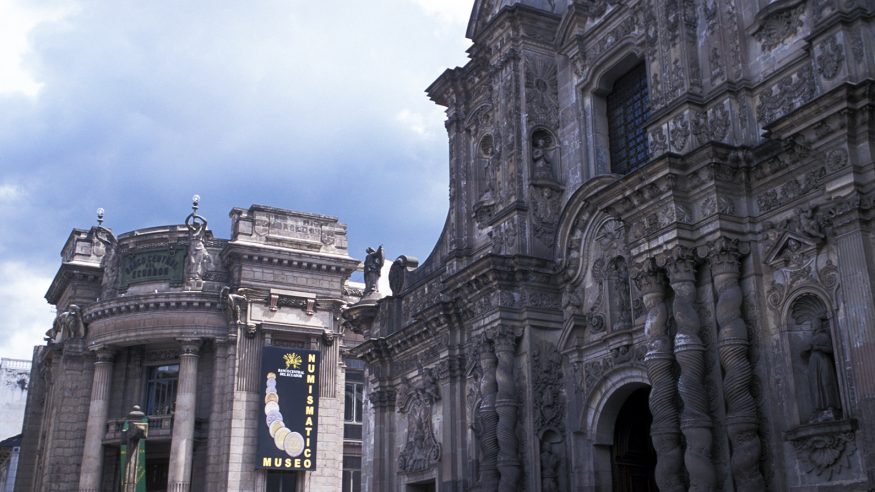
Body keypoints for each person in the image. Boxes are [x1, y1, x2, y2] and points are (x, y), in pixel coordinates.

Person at [803, 317, 842, 421]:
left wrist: (819, 347)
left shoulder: (824, 336)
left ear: (818, 324)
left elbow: (830, 349)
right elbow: (803, 354)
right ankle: (819, 409)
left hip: (823, 361)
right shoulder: (812, 338)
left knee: (826, 382)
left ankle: (831, 407)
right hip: (813, 363)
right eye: (812, 324)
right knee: (816, 385)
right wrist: (807, 350)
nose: (812, 326)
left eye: (814, 323)